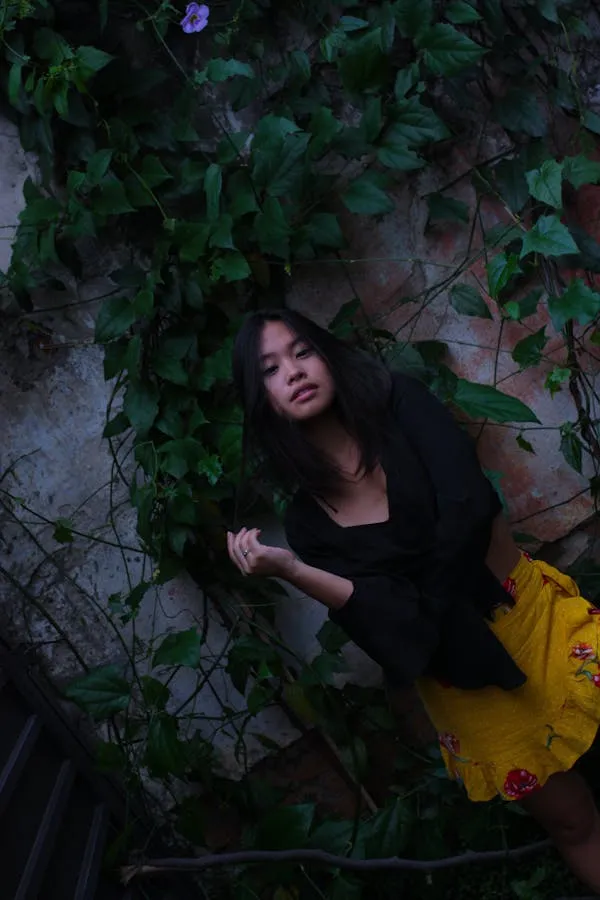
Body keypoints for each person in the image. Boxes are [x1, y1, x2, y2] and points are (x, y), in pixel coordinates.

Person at [227, 308, 600, 890]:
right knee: (574, 822)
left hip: (531, 614)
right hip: (468, 685)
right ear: (262, 398)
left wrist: (413, 606)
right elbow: (383, 632)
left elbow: (469, 507)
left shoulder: (399, 403)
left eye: (302, 352)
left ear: (326, 354)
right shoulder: (306, 523)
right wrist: (293, 570)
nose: (294, 372)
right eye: (271, 369)